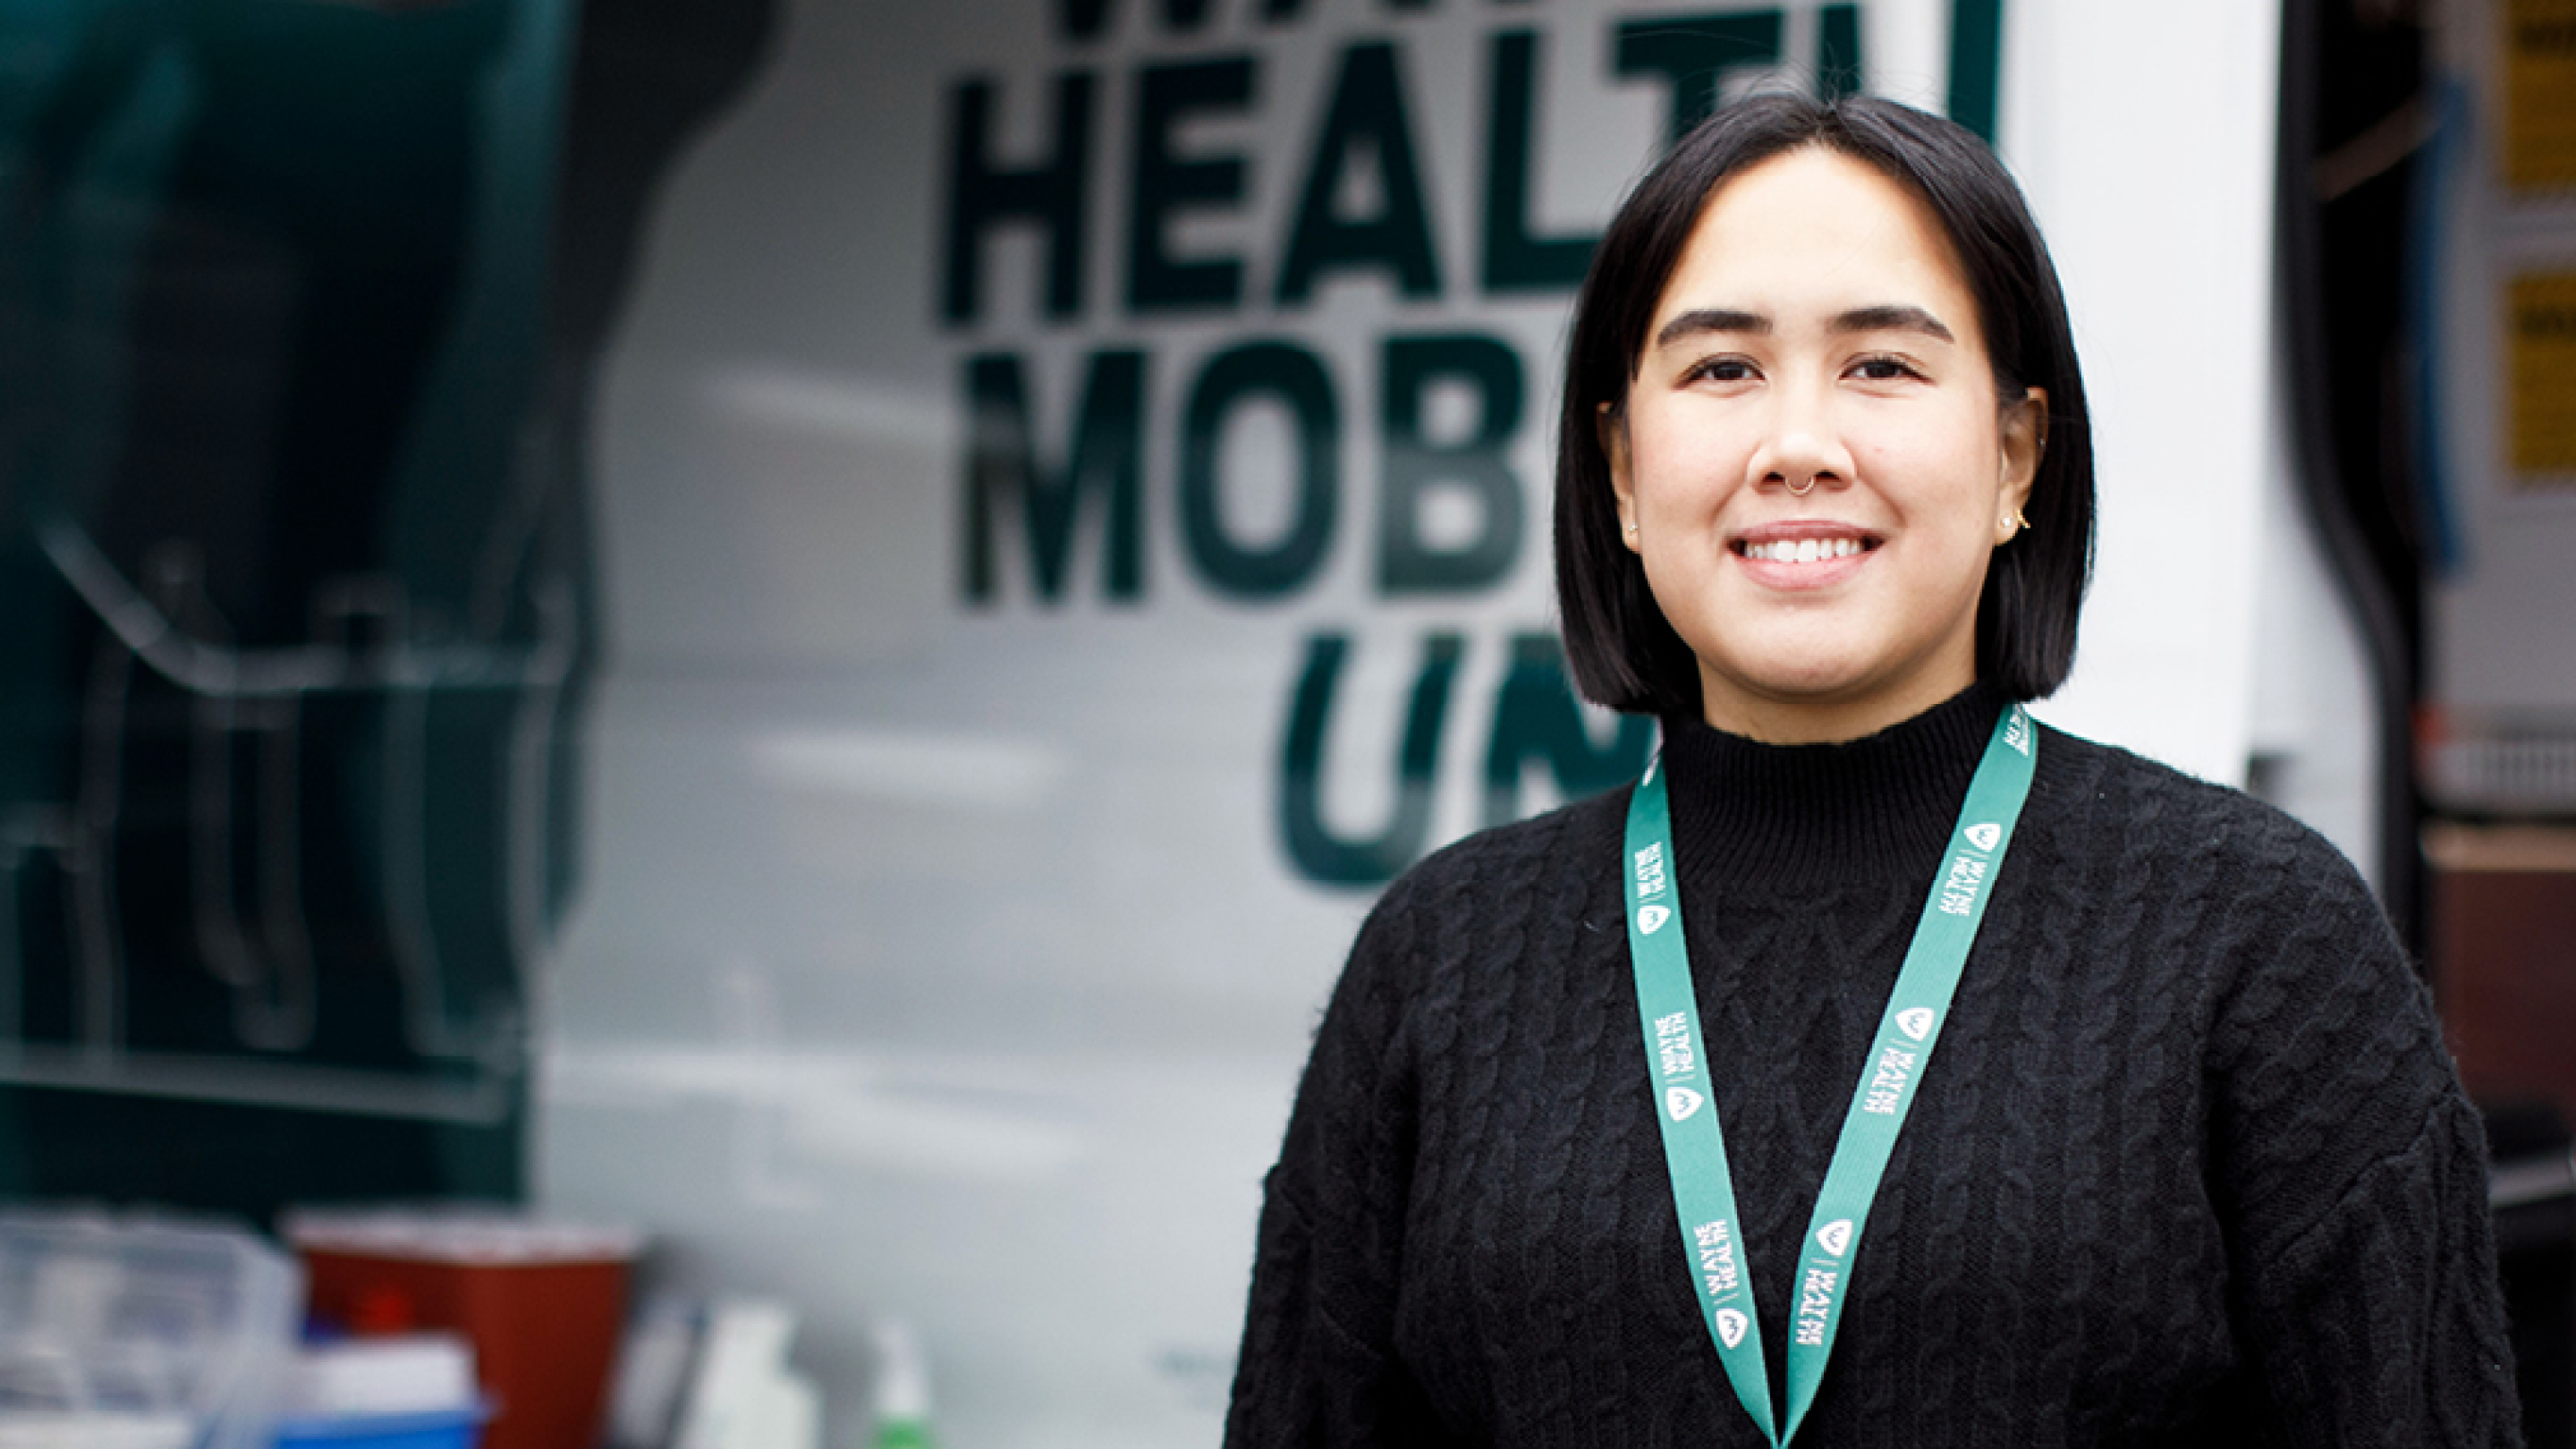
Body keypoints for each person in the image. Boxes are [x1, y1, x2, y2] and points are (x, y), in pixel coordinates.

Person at [1223, 92, 2521, 1447]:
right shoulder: (1447, 956)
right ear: (1617, 465)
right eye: (1722, 369)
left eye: (1883, 367)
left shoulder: (2255, 935)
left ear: (2017, 454)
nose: (1797, 444)